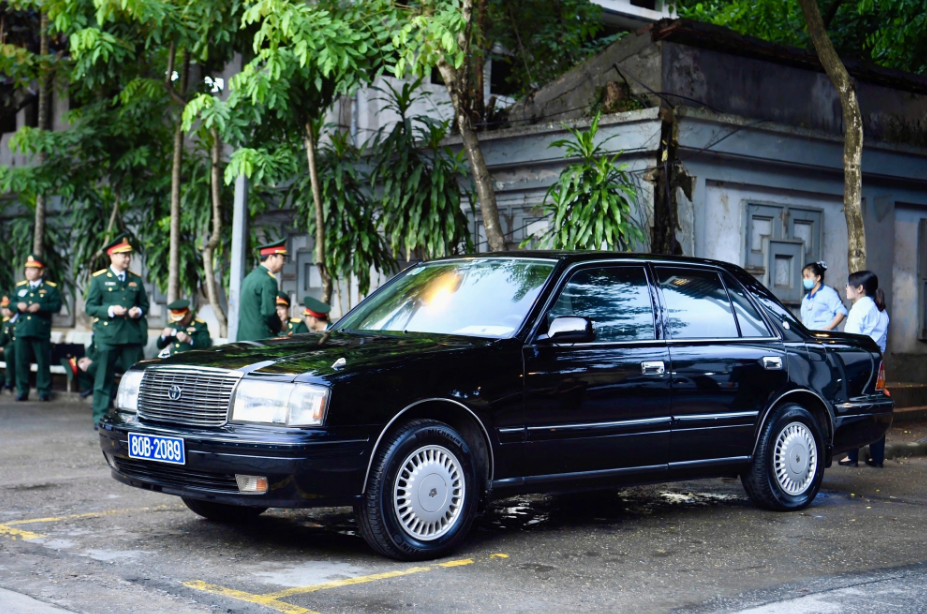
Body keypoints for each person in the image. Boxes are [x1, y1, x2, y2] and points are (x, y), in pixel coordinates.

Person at [85, 235, 149, 428]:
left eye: (128, 255)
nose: (127, 259)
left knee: (136, 379)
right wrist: (111, 310)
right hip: (108, 336)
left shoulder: (135, 280)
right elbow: (90, 307)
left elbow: (144, 304)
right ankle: (99, 417)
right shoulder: (99, 279)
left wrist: (138, 311)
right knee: (103, 377)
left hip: (131, 335)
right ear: (111, 256)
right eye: (123, 255)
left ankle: (137, 416)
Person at [839, 270, 889, 468]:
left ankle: (852, 456)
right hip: (876, 361)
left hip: (858, 361)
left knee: (854, 405)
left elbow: (850, 341)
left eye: (848, 285)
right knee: (876, 405)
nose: (846, 289)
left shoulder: (859, 308)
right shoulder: (881, 310)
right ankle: (877, 458)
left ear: (859, 289)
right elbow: (883, 344)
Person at [13, 255, 62, 401]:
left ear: (41, 272)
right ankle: (22, 390)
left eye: (32, 269)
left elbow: (56, 306)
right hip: (22, 329)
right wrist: (17, 305)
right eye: (27, 269)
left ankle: (44, 391)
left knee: (43, 362)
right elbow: (10, 303)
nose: (28, 272)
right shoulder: (20, 287)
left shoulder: (50, 288)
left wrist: (40, 307)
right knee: (21, 362)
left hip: (40, 329)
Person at [237, 238, 286, 341]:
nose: (284, 262)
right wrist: (279, 326)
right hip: (261, 338)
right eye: (282, 258)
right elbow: (268, 312)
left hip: (244, 337)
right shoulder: (268, 280)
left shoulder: (250, 277)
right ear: (272, 257)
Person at [800, 261, 847, 331]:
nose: (805, 279)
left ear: (818, 277)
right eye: (804, 277)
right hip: (810, 337)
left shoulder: (828, 293)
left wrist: (830, 327)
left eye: (808, 276)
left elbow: (842, 311)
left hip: (824, 337)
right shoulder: (806, 298)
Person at [0, 292, 18, 392]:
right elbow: (1, 340)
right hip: (7, 351)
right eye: (3, 308)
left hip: (17, 352)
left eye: (8, 308)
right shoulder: (6, 322)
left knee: (8, 352)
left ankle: (9, 382)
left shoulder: (19, 320)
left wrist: (4, 348)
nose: (5, 311)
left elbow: (18, 341)